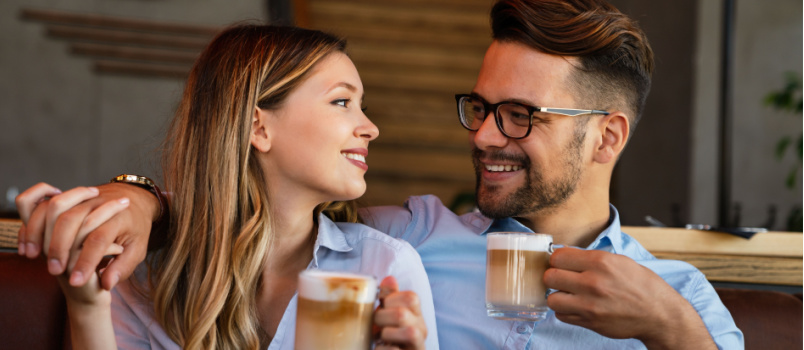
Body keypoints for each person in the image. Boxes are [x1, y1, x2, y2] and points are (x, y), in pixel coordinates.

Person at [17, 0, 743, 349]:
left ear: (606, 137)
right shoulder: (407, 242)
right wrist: (139, 199)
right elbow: (257, 211)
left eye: (520, 114)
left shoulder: (680, 298)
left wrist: (674, 332)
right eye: (481, 107)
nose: (486, 134)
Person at [16, 24, 439, 350]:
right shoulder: (147, 273)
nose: (370, 128)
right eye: (342, 101)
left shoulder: (384, 266)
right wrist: (86, 306)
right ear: (258, 126)